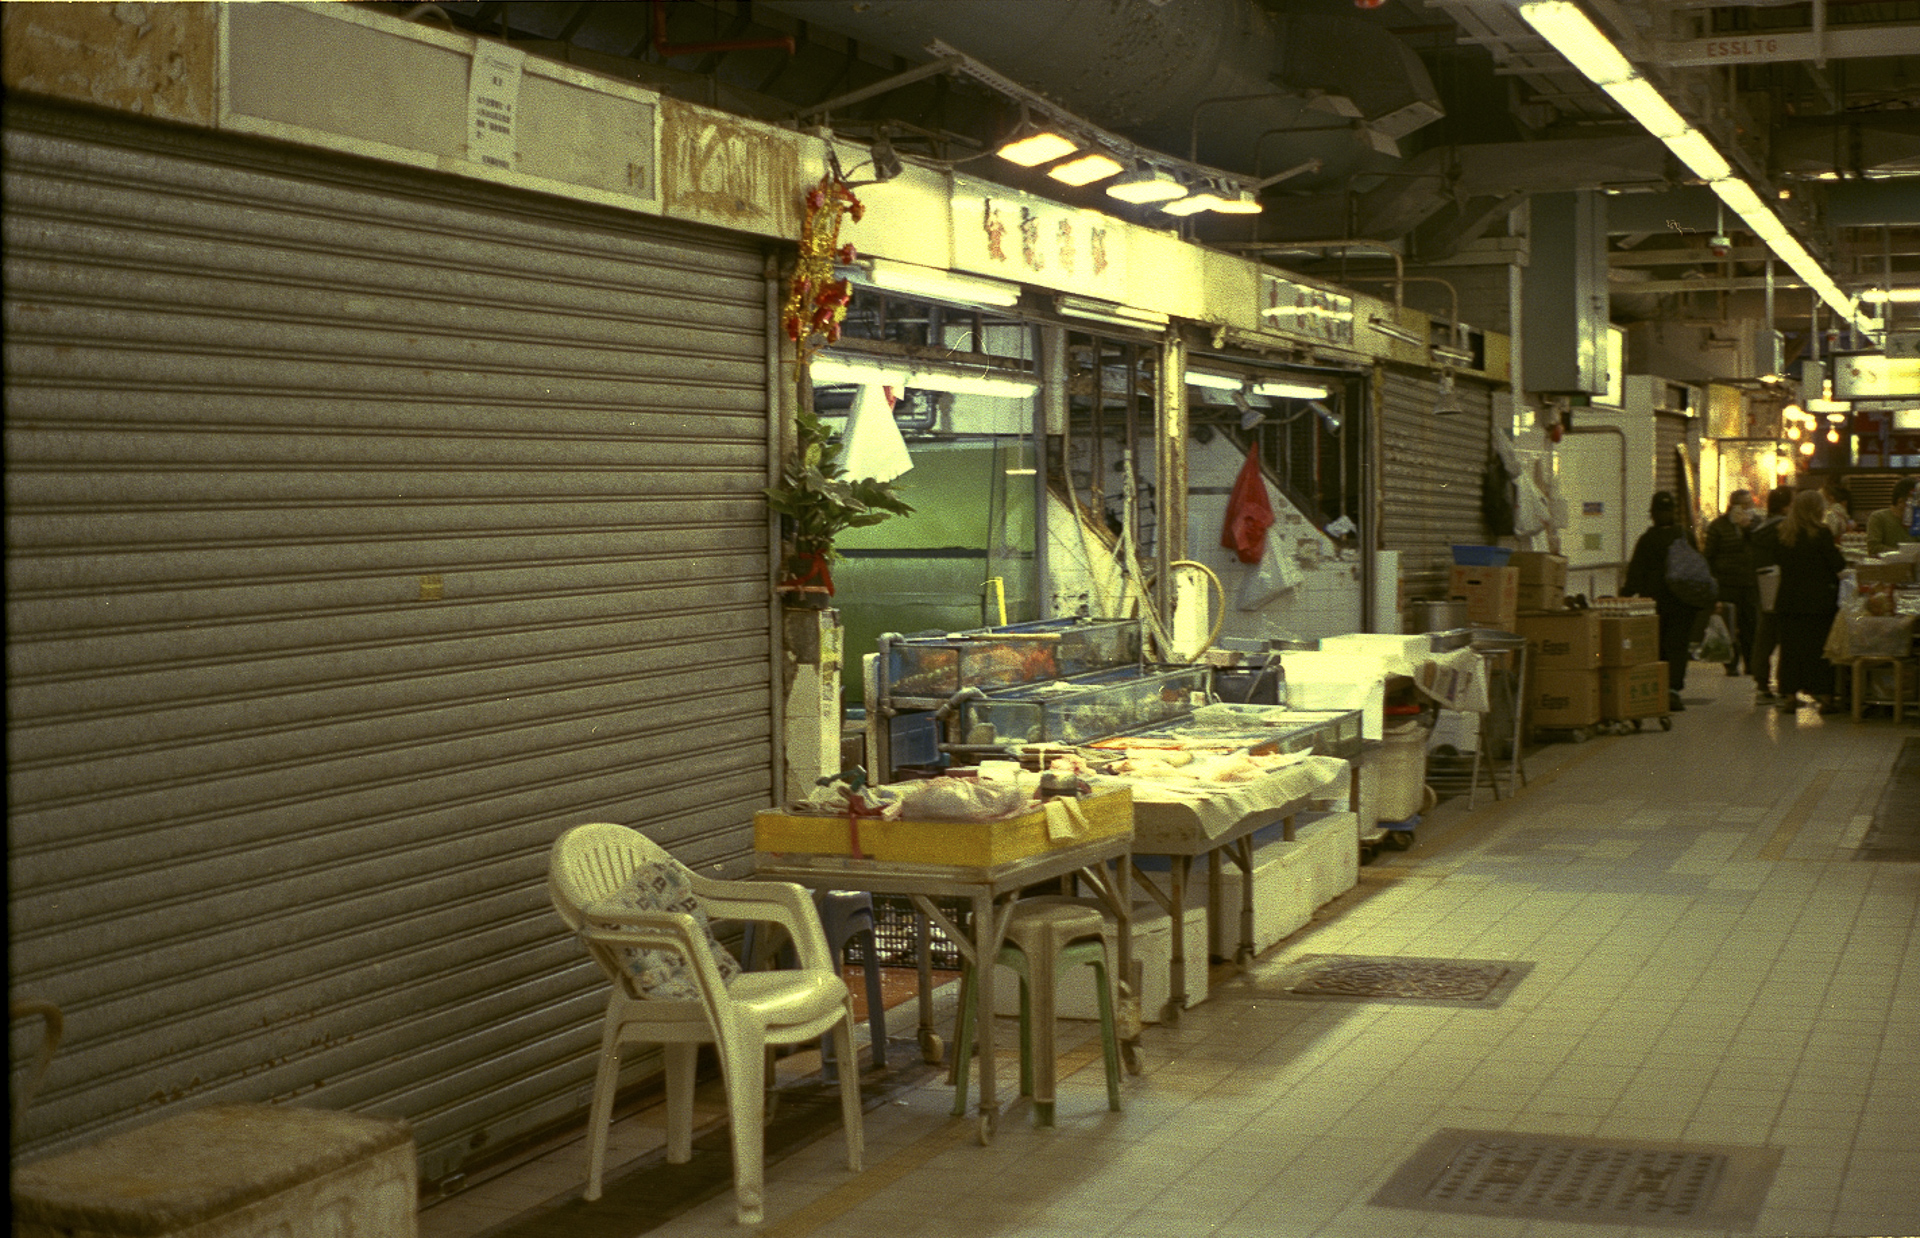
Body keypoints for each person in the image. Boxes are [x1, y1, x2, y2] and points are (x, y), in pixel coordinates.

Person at [1772, 489, 1848, 714]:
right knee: (1819, 651)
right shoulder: (1822, 533)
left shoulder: (1783, 533)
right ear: (1817, 509)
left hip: (1788, 601)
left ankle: (1789, 697)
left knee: (1790, 651)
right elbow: (1837, 564)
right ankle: (1825, 699)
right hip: (1818, 603)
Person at [1623, 490, 1700, 713]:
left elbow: (1636, 573)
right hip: (1683, 603)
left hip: (1656, 603)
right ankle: (1673, 690)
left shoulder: (1647, 540)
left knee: (1658, 646)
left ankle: (1659, 689)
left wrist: (1625, 596)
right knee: (1678, 647)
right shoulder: (1685, 537)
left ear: (1653, 513)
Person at [1701, 489, 1759, 679]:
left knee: (1750, 624)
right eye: (1743, 505)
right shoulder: (1718, 526)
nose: (1747, 508)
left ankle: (1751, 662)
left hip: (1749, 582)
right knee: (1730, 625)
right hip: (1727, 583)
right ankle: (1731, 663)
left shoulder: (1756, 524)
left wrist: (1747, 528)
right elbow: (1709, 556)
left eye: (1749, 504)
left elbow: (1759, 546)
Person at [1748, 486, 1794, 704]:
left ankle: (1761, 684)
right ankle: (1785, 687)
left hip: (1764, 586)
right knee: (1786, 637)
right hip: (1784, 586)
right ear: (1785, 507)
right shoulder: (1785, 529)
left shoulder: (1760, 529)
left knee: (1765, 635)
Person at [1865, 477, 1916, 556]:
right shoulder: (1879, 518)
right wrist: (1903, 554)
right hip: (1887, 564)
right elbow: (1874, 548)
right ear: (1900, 501)